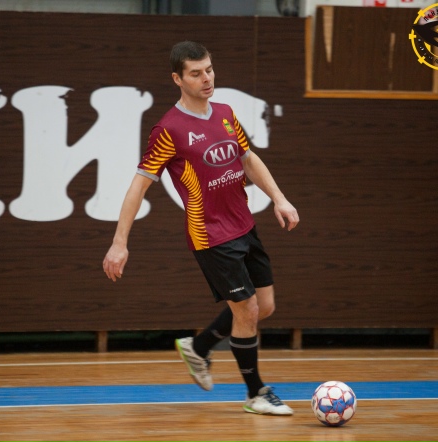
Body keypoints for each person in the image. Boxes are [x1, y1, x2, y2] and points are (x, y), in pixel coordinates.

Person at [103, 41, 299, 415]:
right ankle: (256, 393)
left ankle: (200, 346)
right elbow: (138, 187)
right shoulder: (168, 130)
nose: (206, 78)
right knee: (247, 310)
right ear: (177, 79)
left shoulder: (225, 113)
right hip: (211, 234)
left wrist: (279, 198)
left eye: (208, 69)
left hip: (244, 225)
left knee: (265, 306)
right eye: (196, 73)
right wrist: (119, 243)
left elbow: (248, 158)